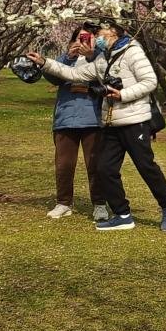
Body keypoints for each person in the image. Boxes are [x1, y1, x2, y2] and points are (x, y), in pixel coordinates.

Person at [27, 16, 166, 233]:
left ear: (114, 32)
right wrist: (45, 62)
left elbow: (150, 81)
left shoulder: (132, 51)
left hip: (135, 120)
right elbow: (74, 73)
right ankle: (123, 214)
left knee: (146, 166)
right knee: (104, 168)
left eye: (98, 34)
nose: (96, 38)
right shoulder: (103, 59)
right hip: (111, 121)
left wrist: (123, 94)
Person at [45, 22, 110, 222]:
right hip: (66, 117)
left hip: (93, 118)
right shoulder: (65, 60)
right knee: (64, 164)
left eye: (86, 38)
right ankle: (63, 202)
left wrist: (91, 56)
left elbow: (110, 77)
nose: (81, 42)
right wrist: (67, 57)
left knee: (95, 164)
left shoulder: (101, 59)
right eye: (78, 38)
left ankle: (99, 204)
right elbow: (51, 76)